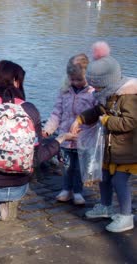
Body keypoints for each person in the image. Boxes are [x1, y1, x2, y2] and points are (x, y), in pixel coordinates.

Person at [0, 60, 76, 221]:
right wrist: (60, 139)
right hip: (19, 187)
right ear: (17, 82)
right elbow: (36, 157)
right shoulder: (30, 109)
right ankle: (8, 205)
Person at [70, 41, 136, 233]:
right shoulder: (107, 95)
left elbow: (130, 122)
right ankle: (105, 206)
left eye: (97, 88)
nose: (95, 91)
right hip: (109, 148)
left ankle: (126, 216)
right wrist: (81, 119)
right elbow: (98, 110)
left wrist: (107, 120)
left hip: (127, 150)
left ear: (108, 83)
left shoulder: (129, 96)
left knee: (119, 181)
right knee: (104, 177)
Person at [42, 53, 97, 205]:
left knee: (79, 167)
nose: (75, 82)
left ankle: (78, 192)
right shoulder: (65, 90)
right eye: (72, 79)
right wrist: (48, 129)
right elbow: (56, 113)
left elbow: (96, 114)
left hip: (84, 138)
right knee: (66, 166)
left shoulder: (93, 93)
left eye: (79, 79)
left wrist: (88, 127)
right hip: (66, 137)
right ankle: (66, 189)